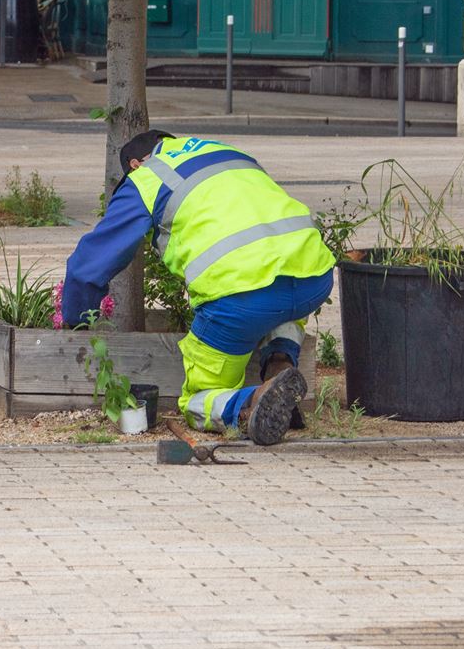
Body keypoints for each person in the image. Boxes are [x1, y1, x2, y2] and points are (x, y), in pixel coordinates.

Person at [61, 130, 336, 445]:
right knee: (283, 294)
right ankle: (280, 366)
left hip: (240, 299)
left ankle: (252, 402)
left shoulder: (148, 177)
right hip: (314, 277)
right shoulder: (224, 151)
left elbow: (89, 264)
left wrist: (78, 318)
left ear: (135, 164)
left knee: (197, 401)